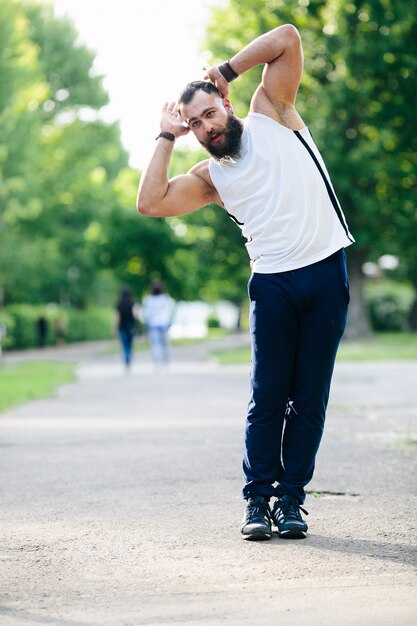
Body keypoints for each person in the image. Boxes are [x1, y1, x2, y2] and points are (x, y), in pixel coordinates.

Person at [137, 24, 354, 540]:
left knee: (311, 397)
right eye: (195, 124)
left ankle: (293, 502)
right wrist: (166, 134)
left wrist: (225, 70)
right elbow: (150, 201)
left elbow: (288, 37)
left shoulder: (273, 112)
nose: (206, 126)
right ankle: (257, 502)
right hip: (273, 285)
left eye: (210, 112)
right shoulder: (212, 179)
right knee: (268, 396)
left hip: (325, 273)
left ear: (227, 105)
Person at [141, 281, 175, 367]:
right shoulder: (166, 299)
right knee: (165, 344)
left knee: (155, 345)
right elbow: (171, 311)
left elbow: (146, 314)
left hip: (153, 325)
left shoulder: (148, 300)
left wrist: (147, 322)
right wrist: (169, 322)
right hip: (164, 324)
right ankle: (166, 362)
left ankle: (157, 363)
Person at [115, 287, 138, 368]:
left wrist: (115, 328)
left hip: (122, 327)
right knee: (130, 344)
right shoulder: (132, 303)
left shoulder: (119, 304)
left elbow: (117, 317)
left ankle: (126, 359)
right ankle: (129, 359)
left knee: (124, 345)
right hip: (130, 327)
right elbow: (135, 315)